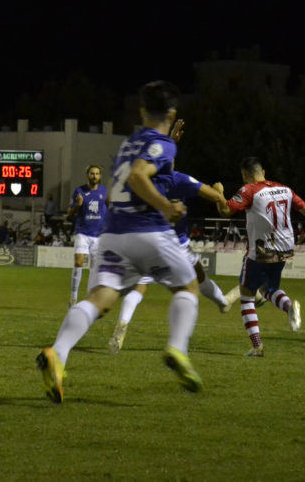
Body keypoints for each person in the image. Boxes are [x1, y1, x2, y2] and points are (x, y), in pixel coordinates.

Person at [37, 81, 203, 402]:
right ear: (172, 112)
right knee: (189, 287)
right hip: (148, 230)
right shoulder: (163, 145)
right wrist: (166, 206)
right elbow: (139, 176)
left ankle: (58, 353)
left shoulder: (128, 144)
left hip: (113, 233)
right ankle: (178, 350)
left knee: (100, 299)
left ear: (142, 111)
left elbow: (118, 189)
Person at [214, 157, 305, 357]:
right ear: (263, 172)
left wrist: (218, 193)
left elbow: (225, 210)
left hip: (261, 249)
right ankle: (290, 306)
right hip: (284, 247)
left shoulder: (249, 190)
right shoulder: (285, 189)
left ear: (245, 176)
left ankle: (257, 347)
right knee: (268, 290)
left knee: (247, 296)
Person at [108, 165, 239, 354]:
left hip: (149, 244)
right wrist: (219, 192)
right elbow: (214, 196)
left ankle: (122, 325)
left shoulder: (140, 181)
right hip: (177, 246)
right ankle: (222, 303)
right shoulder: (178, 179)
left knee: (139, 287)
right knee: (198, 280)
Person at [63, 164, 107, 307]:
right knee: (78, 262)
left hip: (98, 235)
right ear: (87, 175)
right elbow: (69, 213)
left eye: (97, 173)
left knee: (94, 269)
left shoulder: (105, 192)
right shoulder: (79, 191)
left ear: (100, 176)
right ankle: (73, 297)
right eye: (92, 173)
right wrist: (78, 205)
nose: (94, 176)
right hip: (83, 232)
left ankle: (89, 299)